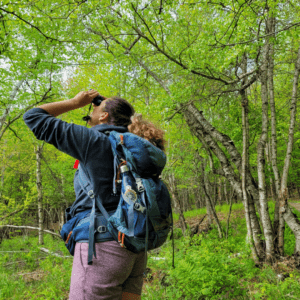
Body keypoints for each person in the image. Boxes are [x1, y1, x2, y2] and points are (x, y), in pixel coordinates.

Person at [23, 90, 166, 300]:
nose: (90, 109)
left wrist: (75, 102)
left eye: (95, 106)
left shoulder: (95, 140)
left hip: (103, 245)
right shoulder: (134, 147)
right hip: (135, 247)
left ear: (104, 116)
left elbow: (33, 117)